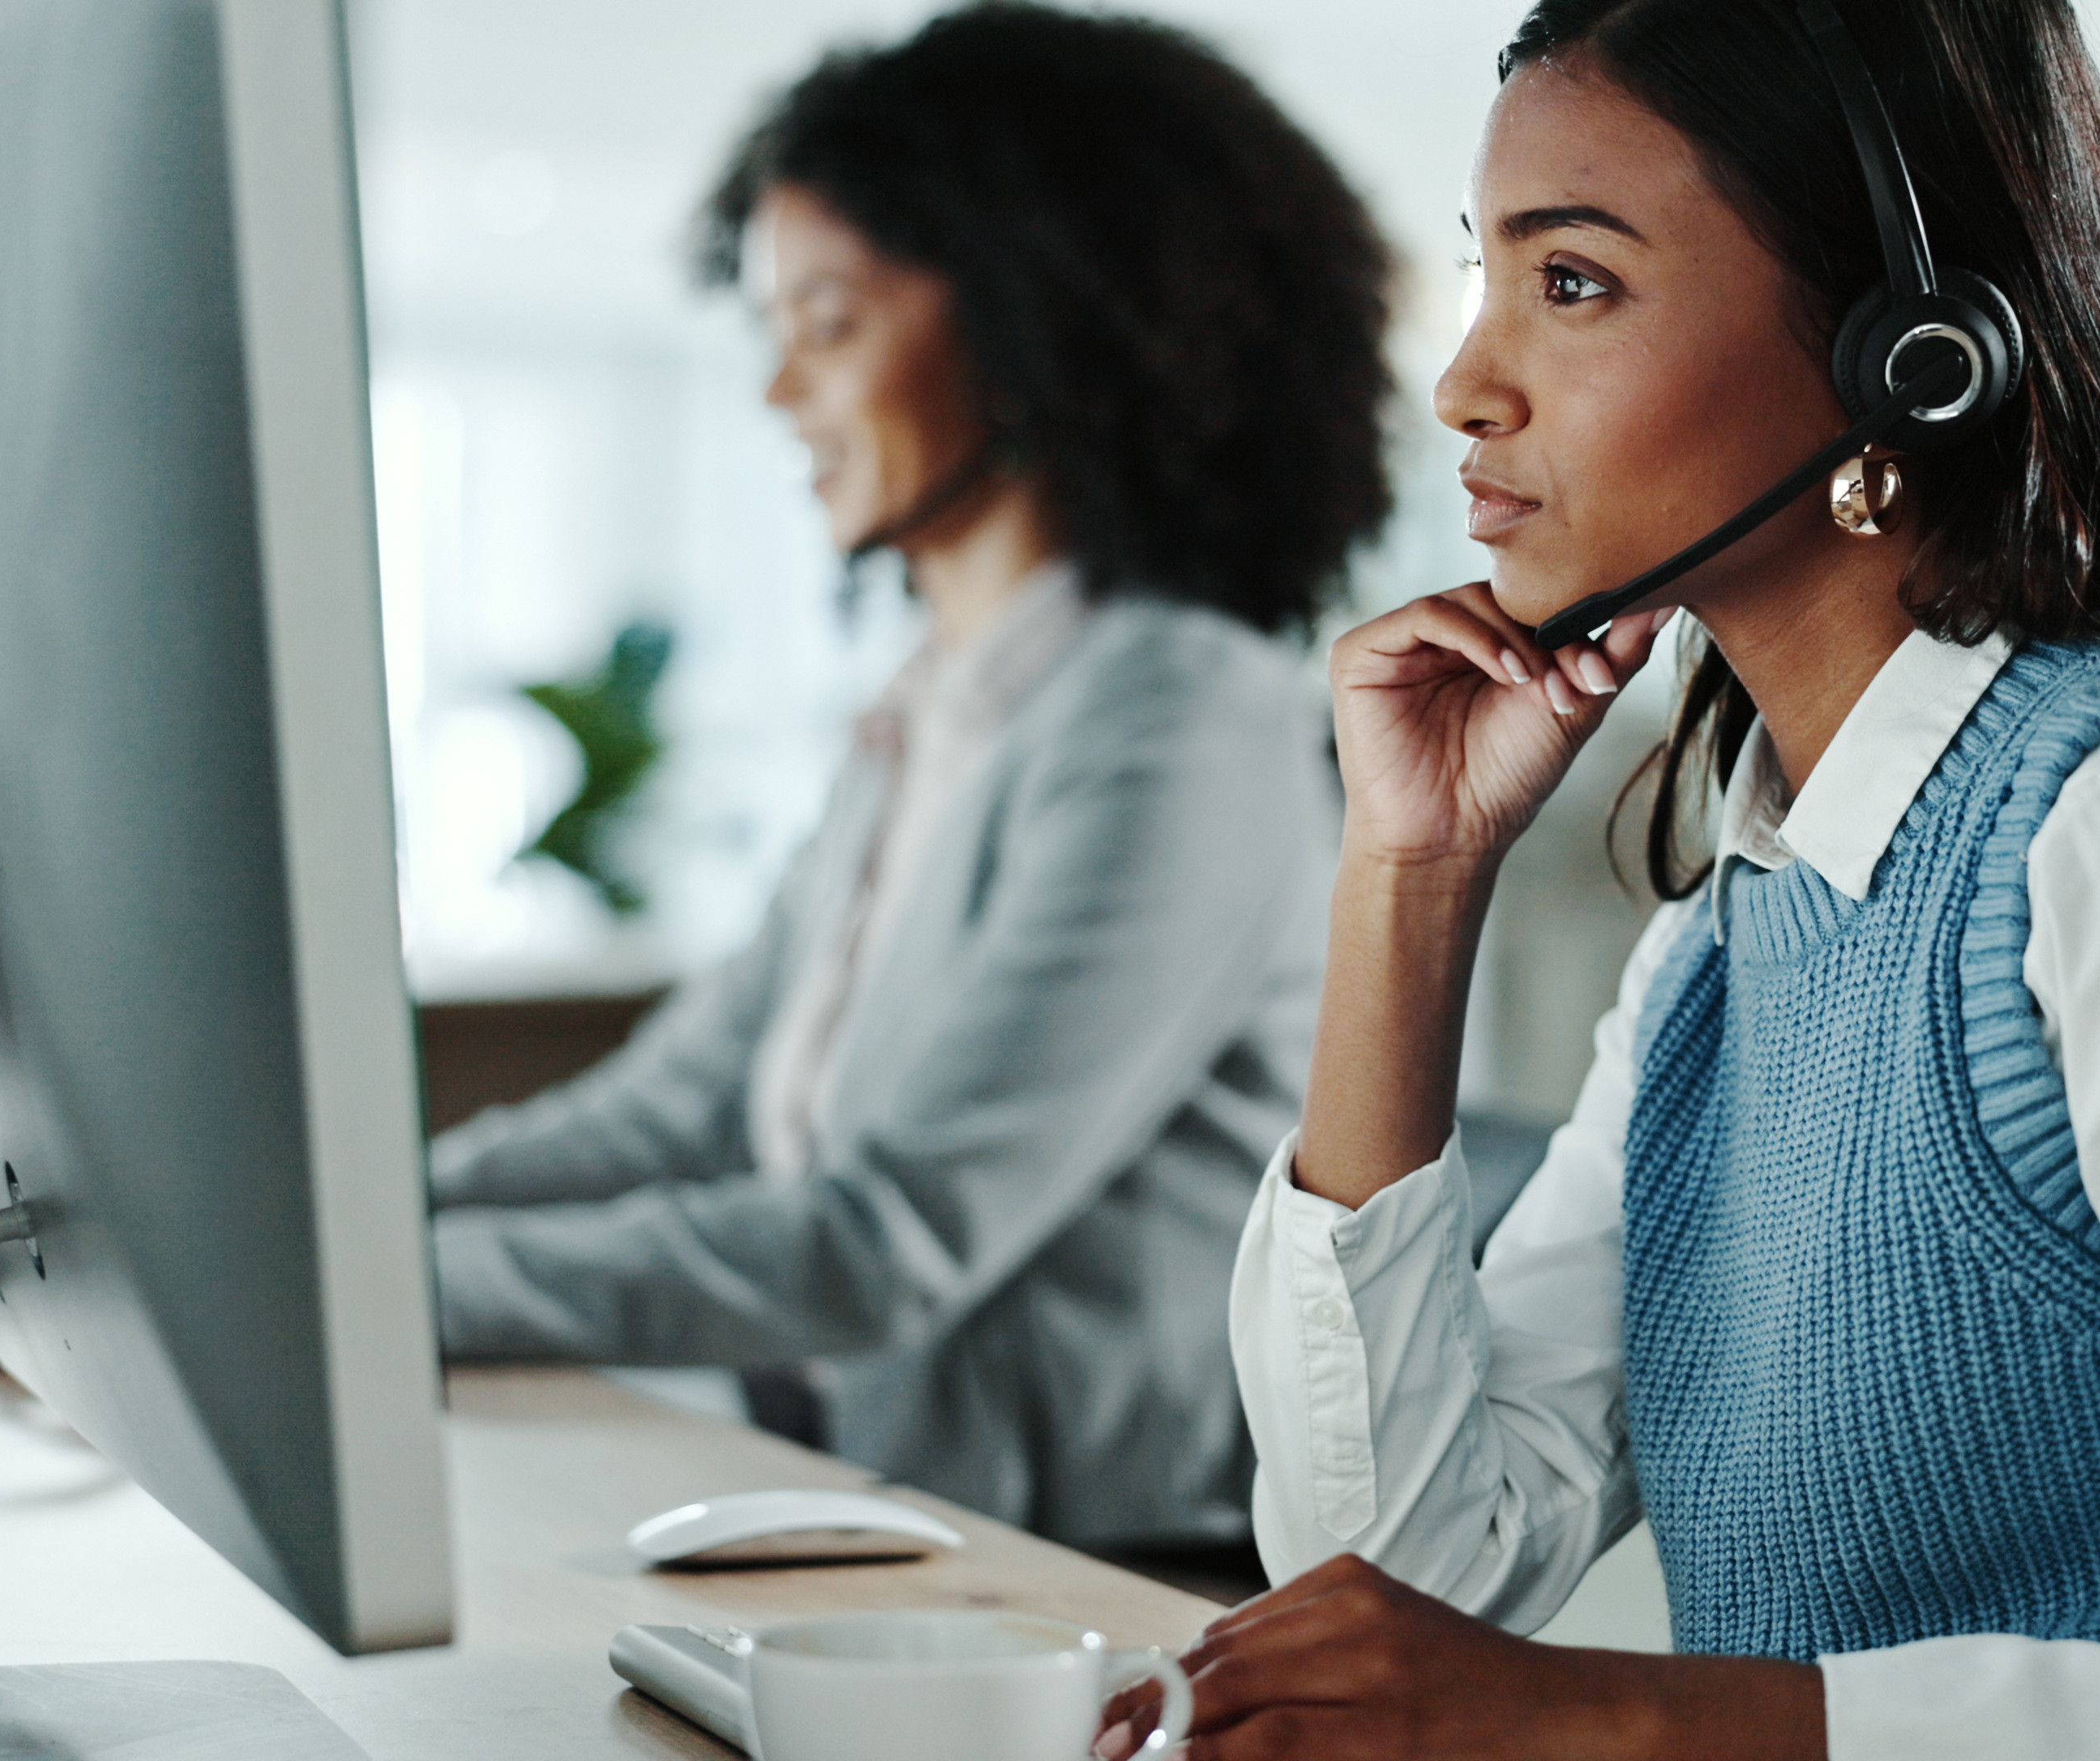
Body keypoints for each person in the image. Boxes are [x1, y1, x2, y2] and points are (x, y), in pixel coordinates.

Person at [1106, 0, 2100, 1754]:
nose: (1465, 383)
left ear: (1907, 351)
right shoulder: (1733, 932)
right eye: (1484, 274)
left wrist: (1613, 1726)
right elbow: (1394, 1579)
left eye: (1571, 283)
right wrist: (1411, 877)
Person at [426, 2, 1392, 1563]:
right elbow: (677, 1111)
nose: (776, 396)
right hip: (876, 1529)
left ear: (1031, 322)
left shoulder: (1178, 719)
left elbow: (890, 1239)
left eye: (828, 323)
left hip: (1100, 1593)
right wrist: (345, 1219)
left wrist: (357, 1288)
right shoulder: (933, 713)